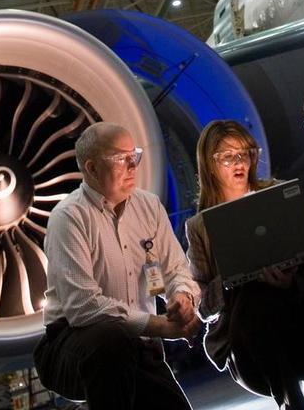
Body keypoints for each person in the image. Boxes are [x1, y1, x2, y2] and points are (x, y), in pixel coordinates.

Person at [184, 119, 304, 410]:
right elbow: (203, 306)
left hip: (299, 302)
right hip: (246, 330)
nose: (239, 162)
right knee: (256, 299)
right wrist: (233, 277)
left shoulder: (277, 196)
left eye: (245, 153)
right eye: (228, 156)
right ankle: (292, 401)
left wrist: (291, 277)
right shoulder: (199, 226)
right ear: (210, 163)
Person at [34, 122, 201, 410]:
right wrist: (161, 326)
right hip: (73, 344)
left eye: (134, 156)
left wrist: (182, 298)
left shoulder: (149, 206)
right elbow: (84, 308)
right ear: (92, 168)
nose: (133, 166)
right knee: (109, 338)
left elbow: (174, 270)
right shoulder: (69, 217)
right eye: (121, 159)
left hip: (137, 346)